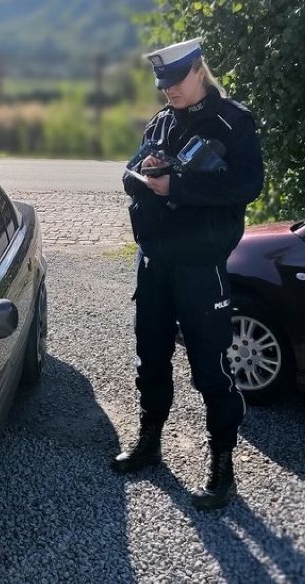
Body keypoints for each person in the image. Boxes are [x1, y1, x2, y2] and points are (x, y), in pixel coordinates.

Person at [113, 38, 264, 510]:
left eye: (175, 81)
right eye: (162, 84)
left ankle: (223, 466)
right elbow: (128, 173)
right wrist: (147, 171)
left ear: (200, 70)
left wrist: (177, 184)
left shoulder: (234, 123)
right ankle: (150, 440)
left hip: (201, 268)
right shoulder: (161, 121)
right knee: (151, 357)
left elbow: (246, 184)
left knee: (210, 369)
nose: (168, 91)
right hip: (155, 263)